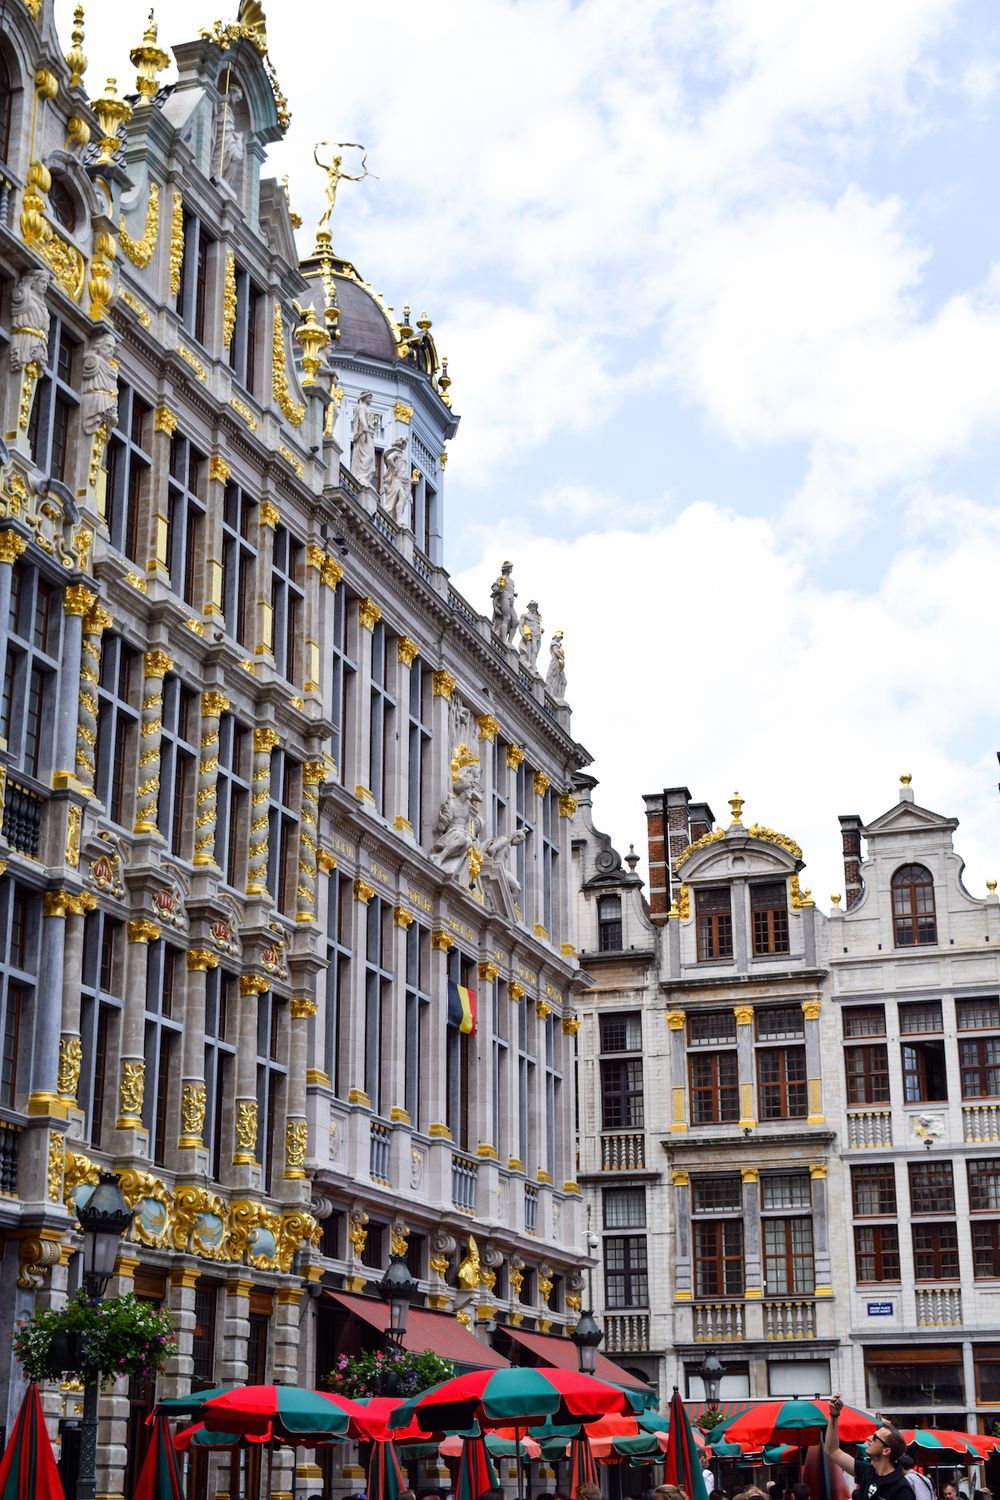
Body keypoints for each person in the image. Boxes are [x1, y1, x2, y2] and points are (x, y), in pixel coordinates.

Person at [825, 1392, 912, 1500]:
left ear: (886, 1451)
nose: (869, 1438)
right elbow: (832, 1451)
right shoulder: (867, 1473)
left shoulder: (902, 1489)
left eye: (875, 1437)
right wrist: (834, 1416)